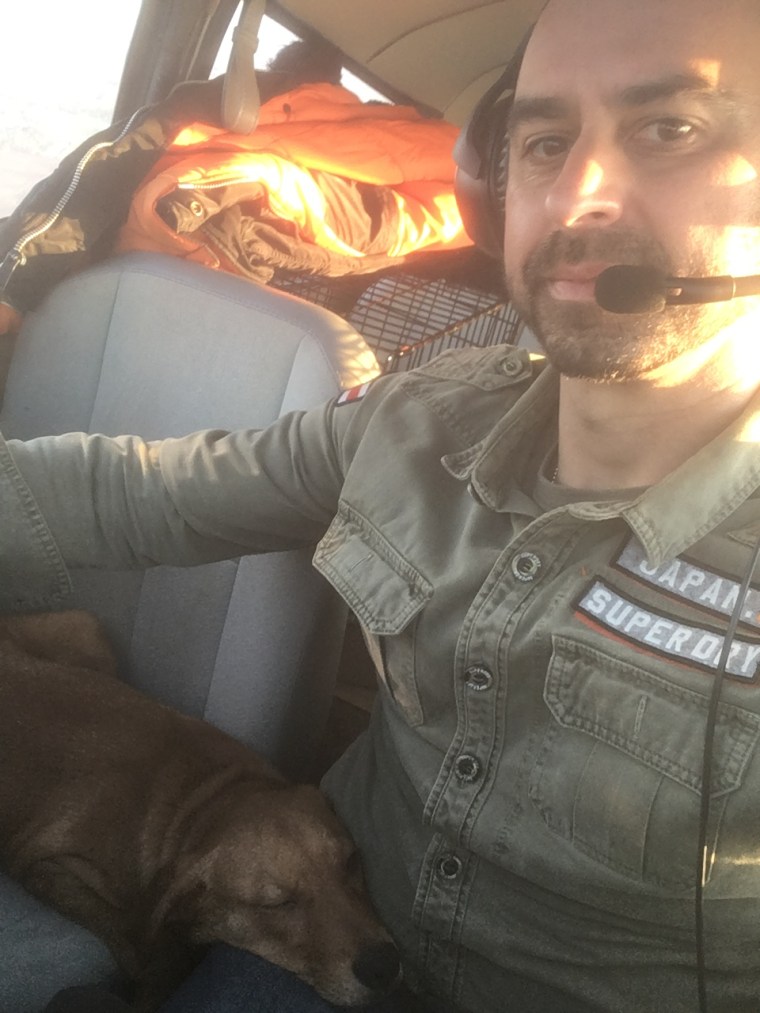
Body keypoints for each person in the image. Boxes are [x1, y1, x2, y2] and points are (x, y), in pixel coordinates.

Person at [4, 0, 760, 1010]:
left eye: (669, 128)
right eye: (540, 141)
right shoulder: (426, 414)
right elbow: (141, 494)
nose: (577, 191)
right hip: (310, 944)